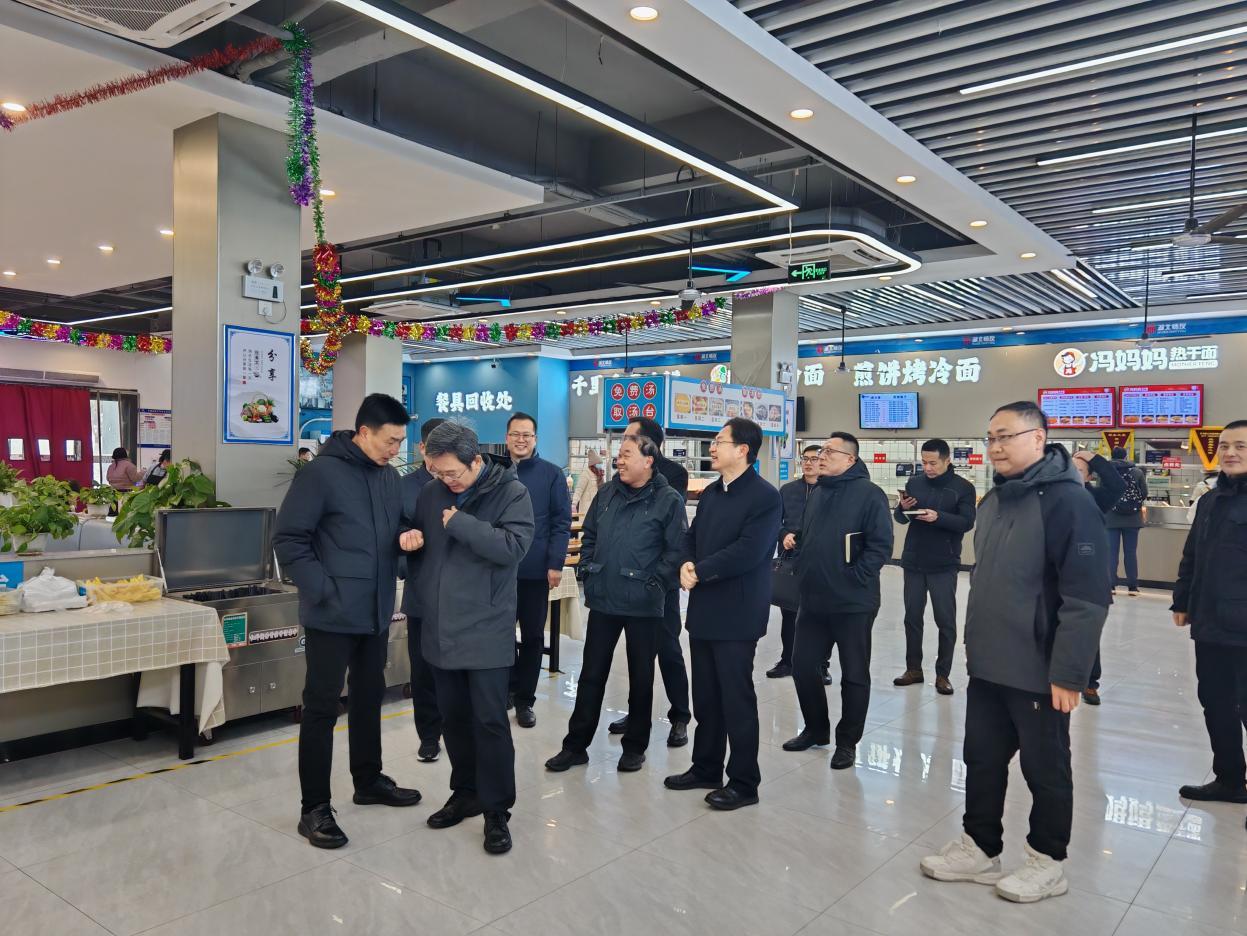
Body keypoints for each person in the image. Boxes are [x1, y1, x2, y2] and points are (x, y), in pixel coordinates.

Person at [921, 401, 1109, 904]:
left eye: (1006, 436)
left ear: (1039, 438)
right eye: (991, 438)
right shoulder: (995, 499)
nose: (996, 447)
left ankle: (1048, 860)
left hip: (1039, 667)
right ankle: (980, 847)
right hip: (989, 661)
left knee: (1045, 769)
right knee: (981, 758)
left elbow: (1087, 597)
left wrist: (1070, 673)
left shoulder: (1069, 503)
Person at [274, 393, 423, 851]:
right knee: (322, 706)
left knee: (369, 695)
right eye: (389, 441)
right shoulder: (321, 474)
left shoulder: (388, 478)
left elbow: (394, 529)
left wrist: (406, 538)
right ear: (363, 433)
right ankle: (314, 808)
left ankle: (368, 779)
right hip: (332, 613)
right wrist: (322, 589)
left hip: (375, 610)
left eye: (400, 442)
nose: (395, 450)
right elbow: (289, 538)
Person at [406, 421, 534, 855]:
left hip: (486, 627)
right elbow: (420, 549)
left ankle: (497, 810)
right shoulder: (431, 493)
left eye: (452, 473)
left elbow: (513, 548)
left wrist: (461, 523)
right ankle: (465, 793)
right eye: (437, 472)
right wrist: (407, 540)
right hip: (440, 626)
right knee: (454, 718)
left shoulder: (511, 492)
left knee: (490, 722)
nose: (446, 480)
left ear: (475, 460)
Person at [546, 435, 686, 775]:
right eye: (618, 455)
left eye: (626, 455)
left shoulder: (668, 499)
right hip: (604, 598)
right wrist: (588, 569)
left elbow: (676, 550)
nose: (618, 460)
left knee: (641, 678)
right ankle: (575, 746)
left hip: (644, 604)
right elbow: (590, 534)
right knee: (591, 675)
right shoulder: (607, 493)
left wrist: (655, 584)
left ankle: (634, 747)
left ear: (648, 460)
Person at [666, 418, 780, 810]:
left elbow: (749, 551)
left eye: (718, 442)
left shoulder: (765, 497)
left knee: (736, 698)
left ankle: (745, 782)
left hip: (738, 612)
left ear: (743, 450)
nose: (712, 448)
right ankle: (706, 767)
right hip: (704, 609)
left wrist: (699, 571)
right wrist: (685, 563)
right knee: (707, 696)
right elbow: (691, 537)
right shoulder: (713, 492)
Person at [783, 431, 893, 770]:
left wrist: (854, 577)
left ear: (850, 459)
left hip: (853, 602)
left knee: (854, 674)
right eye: (821, 451)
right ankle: (816, 729)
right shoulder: (819, 492)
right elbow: (814, 536)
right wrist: (799, 550)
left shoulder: (870, 494)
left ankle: (847, 742)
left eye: (830, 451)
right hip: (813, 599)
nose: (821, 456)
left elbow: (880, 546)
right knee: (803, 667)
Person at [1172, 420, 1247, 815]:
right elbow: (1192, 554)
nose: (1230, 453)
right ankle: (1230, 780)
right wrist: (1182, 600)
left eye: (1241, 446)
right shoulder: (1210, 500)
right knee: (1215, 703)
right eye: (1225, 446)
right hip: (1211, 622)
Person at [608, 417, 692, 748]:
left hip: (659, 582)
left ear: (649, 445)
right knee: (637, 657)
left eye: (629, 438)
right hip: (627, 581)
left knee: (668, 649)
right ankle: (637, 714)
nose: (623, 446)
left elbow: (668, 522)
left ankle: (680, 716)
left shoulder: (674, 474)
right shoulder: (620, 474)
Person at [893, 439, 977, 696]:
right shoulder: (915, 483)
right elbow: (900, 518)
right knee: (912, 618)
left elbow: (966, 522)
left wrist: (938, 517)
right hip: (913, 560)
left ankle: (943, 674)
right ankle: (913, 669)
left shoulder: (963, 488)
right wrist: (902, 508)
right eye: (924, 462)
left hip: (944, 563)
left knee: (945, 620)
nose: (927, 468)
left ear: (947, 460)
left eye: (933, 463)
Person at [505, 412, 572, 729]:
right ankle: (506, 689)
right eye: (515, 434)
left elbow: (561, 522)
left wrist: (555, 563)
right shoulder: (494, 472)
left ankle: (525, 700)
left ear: (535, 439)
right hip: (499, 570)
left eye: (527, 435)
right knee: (501, 634)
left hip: (535, 571)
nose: (521, 440)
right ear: (507, 438)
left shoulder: (551, 474)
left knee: (532, 636)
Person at [400, 418, 446, 763]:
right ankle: (429, 736)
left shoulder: (465, 485)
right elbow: (393, 532)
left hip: (459, 597)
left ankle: (457, 728)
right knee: (422, 670)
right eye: (434, 449)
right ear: (422, 449)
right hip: (420, 593)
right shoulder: (404, 487)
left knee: (455, 670)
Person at [768, 445, 827, 682]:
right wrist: (784, 534)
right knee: (790, 613)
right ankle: (788, 661)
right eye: (805, 459)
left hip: (820, 561)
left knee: (819, 615)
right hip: (791, 560)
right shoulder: (788, 490)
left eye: (815, 459)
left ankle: (821, 665)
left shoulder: (829, 490)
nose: (809, 463)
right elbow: (774, 521)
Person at [1072, 449, 1126, 706]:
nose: (1073, 475)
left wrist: (1093, 457)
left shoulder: (1096, 498)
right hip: (1057, 576)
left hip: (1088, 577)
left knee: (1088, 632)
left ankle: (1090, 683)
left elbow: (1117, 485)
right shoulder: (1052, 496)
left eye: (1080, 471)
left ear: (1089, 476)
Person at [1105, 446, 1148, 596]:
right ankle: (1132, 587)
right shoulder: (1137, 472)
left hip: (1111, 518)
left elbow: (1101, 492)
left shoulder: (1106, 471)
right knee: (1130, 553)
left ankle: (1111, 586)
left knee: (1112, 553)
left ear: (1112, 456)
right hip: (1133, 518)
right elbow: (1144, 493)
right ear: (1125, 457)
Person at [573, 449, 605, 516]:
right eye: (599, 463)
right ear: (593, 464)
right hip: (587, 508)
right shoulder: (586, 474)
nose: (600, 465)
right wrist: (574, 504)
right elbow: (579, 489)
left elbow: (603, 489)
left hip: (598, 506)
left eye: (601, 463)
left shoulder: (599, 474)